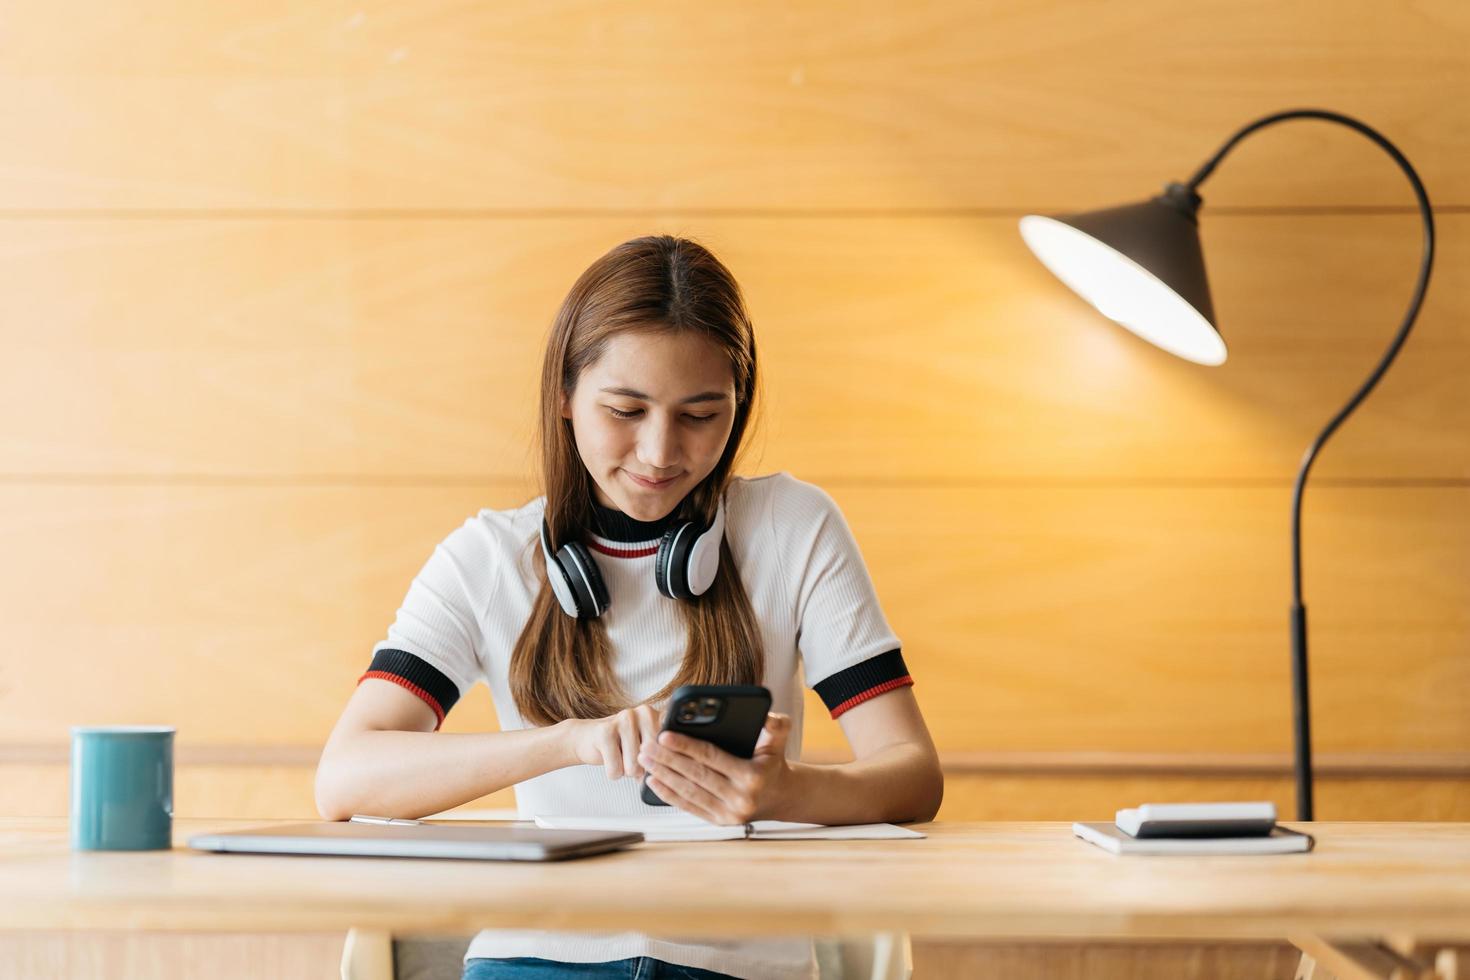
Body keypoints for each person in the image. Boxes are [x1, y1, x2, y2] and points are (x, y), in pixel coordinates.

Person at [315, 235, 944, 980]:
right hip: (536, 958)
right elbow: (345, 778)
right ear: (565, 397)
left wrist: (788, 791)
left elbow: (913, 774)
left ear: (737, 408)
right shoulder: (488, 558)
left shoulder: (793, 529)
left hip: (739, 966)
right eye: (626, 409)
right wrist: (567, 743)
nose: (658, 451)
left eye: (700, 415)